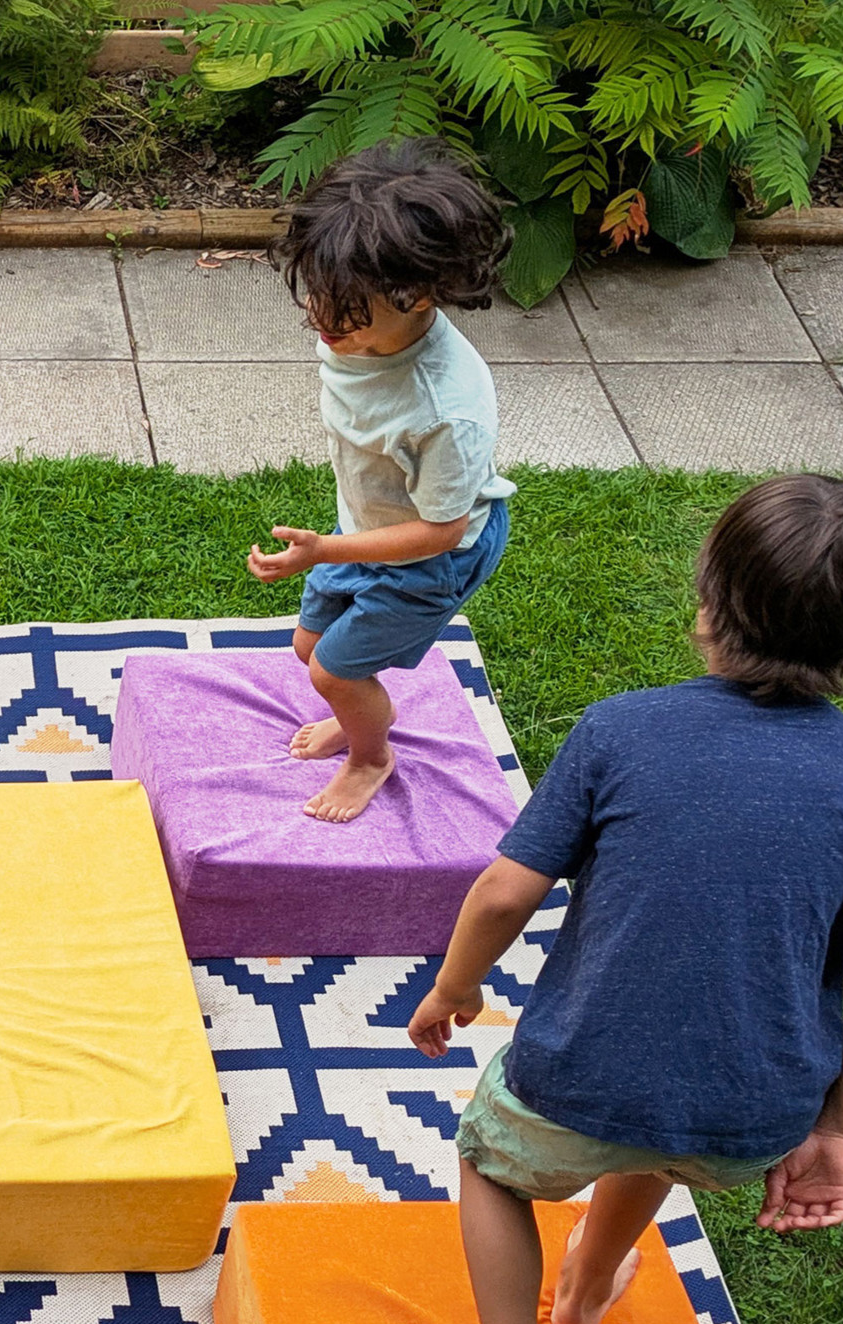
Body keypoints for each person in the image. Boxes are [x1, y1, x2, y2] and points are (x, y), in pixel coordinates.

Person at [408, 474, 843, 1324]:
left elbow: (506, 894)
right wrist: (839, 1131)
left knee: (489, 1166)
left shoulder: (621, 730)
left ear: (708, 604)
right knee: (658, 1138)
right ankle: (585, 1289)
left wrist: (455, 985)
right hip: (751, 1119)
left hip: (583, 1075)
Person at [247, 139, 516, 822]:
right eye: (317, 291)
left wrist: (324, 551)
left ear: (416, 294)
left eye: (344, 303)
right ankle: (361, 710)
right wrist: (337, 543)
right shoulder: (357, 333)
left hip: (433, 554)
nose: (319, 316)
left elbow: (441, 531)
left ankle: (371, 757)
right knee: (310, 647)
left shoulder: (444, 410)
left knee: (333, 670)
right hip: (369, 524)